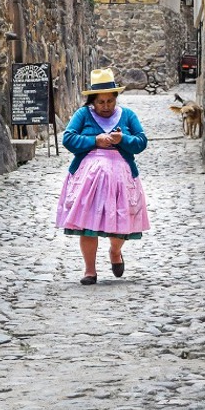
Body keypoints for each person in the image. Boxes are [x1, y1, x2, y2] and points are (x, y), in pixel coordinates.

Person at [58, 68, 151, 285]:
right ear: (93, 101)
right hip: (88, 183)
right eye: (101, 102)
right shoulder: (83, 115)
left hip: (121, 180)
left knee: (119, 221)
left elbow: (141, 141)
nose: (106, 106)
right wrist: (94, 141)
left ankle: (115, 252)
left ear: (116, 98)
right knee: (87, 223)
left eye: (110, 101)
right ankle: (90, 270)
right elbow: (68, 139)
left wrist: (123, 140)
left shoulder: (127, 116)